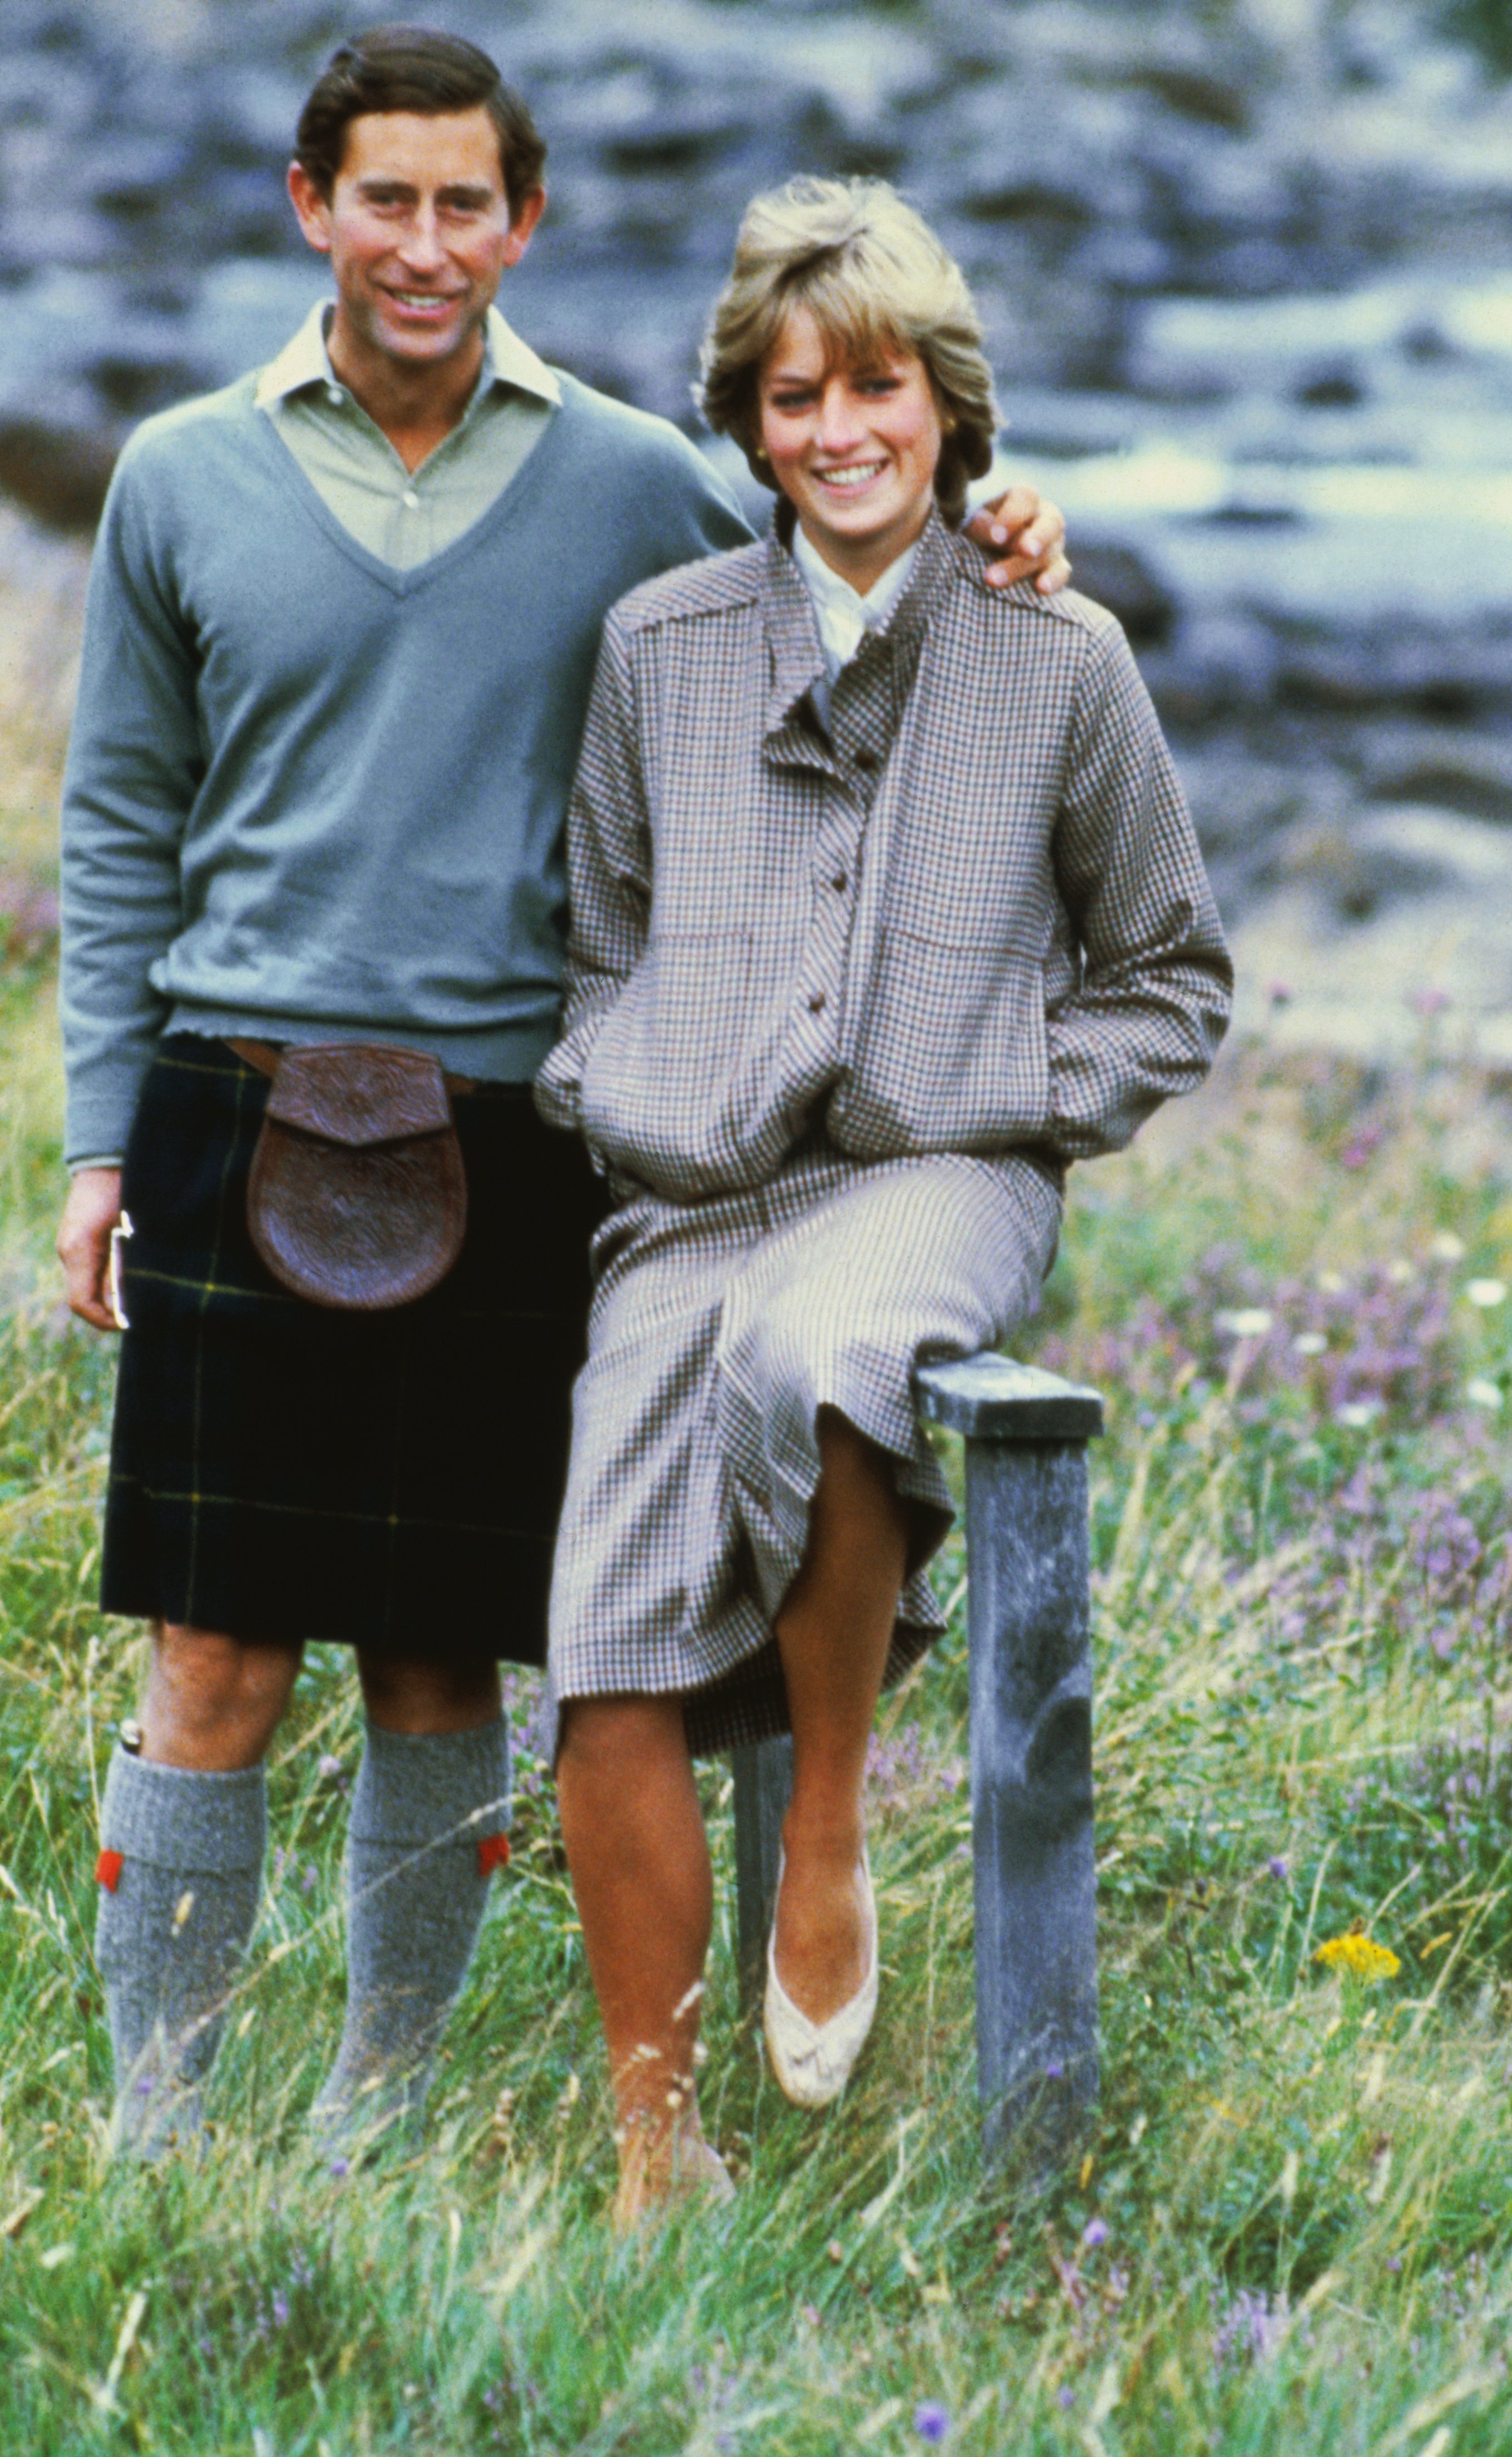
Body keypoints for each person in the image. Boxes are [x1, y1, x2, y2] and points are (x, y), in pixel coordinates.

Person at [55, 31, 1070, 2159]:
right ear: (307, 203)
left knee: (443, 1661)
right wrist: (91, 1142)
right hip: (232, 1108)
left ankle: (381, 2113)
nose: (424, 245)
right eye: (383, 198)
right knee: (214, 1662)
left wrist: (1000, 530)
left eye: (465, 204)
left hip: (514, 1139)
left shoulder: (629, 476)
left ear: (522, 223)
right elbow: (123, 825)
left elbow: (835, 544)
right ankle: (154, 2126)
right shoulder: (175, 475)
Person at [536, 174, 1233, 2227]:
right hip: (689, 1193)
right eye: (797, 394)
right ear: (747, 421)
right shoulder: (660, 648)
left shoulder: (1059, 655)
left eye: (883, 390)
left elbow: (1171, 974)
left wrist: (1008, 1094)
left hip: (939, 1189)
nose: (843, 431)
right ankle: (654, 2159)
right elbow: (600, 934)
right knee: (600, 1637)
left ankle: (827, 1812)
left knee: (828, 1344)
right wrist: (620, 1079)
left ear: (952, 408)